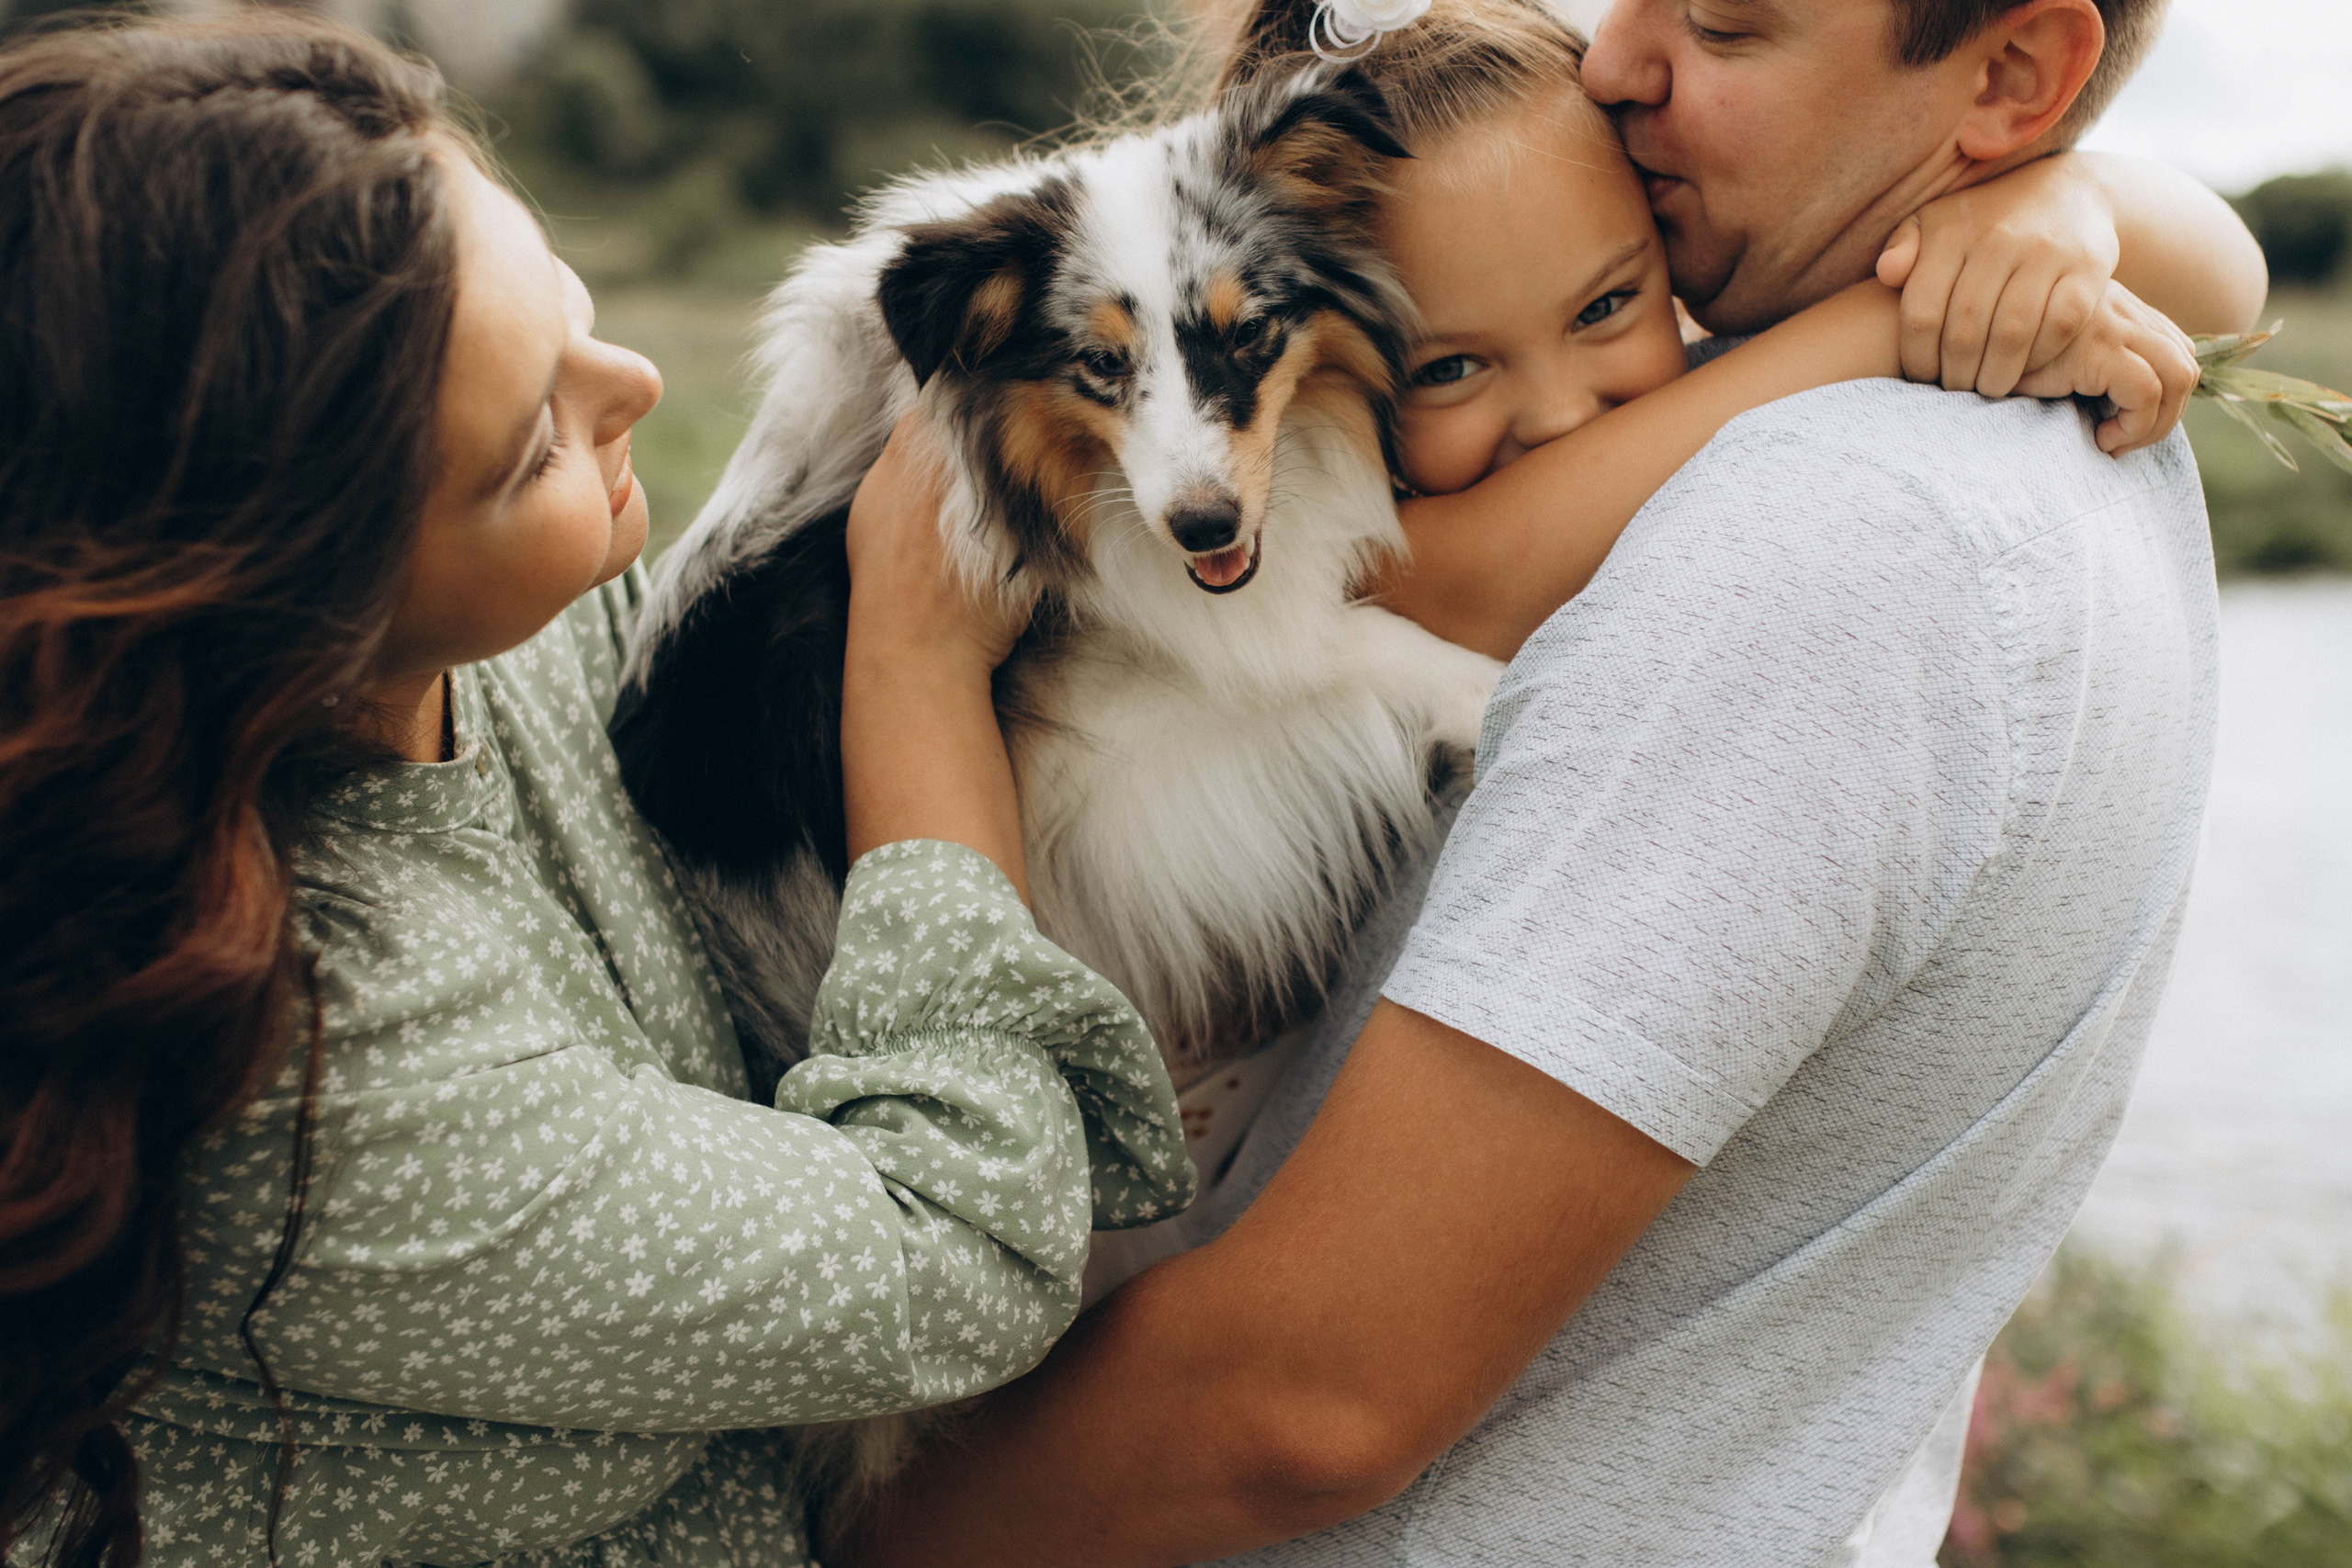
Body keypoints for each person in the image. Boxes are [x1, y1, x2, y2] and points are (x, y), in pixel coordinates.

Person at [833, 0, 2260, 1562]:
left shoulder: (1819, 535)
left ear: (2008, 79)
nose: (1619, 61)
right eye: (1445, 362)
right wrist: (1979, 247)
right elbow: (1463, 563)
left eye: (1722, 22)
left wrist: (2050, 205)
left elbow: (1302, 1400)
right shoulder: (1781, 394)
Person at [0, 18, 1189, 1568]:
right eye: (527, 452)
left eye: (564, 302)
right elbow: (955, 1254)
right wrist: (909, 669)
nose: (627, 382)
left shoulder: (452, 654)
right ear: (296, 609)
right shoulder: (304, 1073)